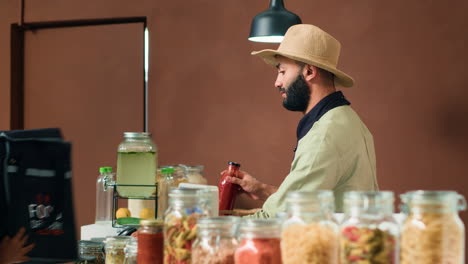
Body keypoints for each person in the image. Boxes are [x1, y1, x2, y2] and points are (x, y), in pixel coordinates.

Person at [225, 24, 378, 218]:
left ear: (309, 72)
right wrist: (262, 189)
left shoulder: (325, 135)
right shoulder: (347, 119)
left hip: (330, 246)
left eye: (282, 71)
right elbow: (313, 200)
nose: (277, 82)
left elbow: (277, 220)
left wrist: (211, 228)